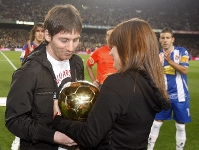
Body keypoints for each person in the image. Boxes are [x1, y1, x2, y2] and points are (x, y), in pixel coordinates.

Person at [52, 18, 171, 150]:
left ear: (126, 48)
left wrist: (58, 120)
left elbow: (89, 136)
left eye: (114, 46)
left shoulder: (119, 82)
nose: (110, 51)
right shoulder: (149, 82)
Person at [5, 4, 84, 150]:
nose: (71, 48)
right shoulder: (29, 71)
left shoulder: (77, 64)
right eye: (64, 40)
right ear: (48, 35)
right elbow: (14, 120)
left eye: (76, 39)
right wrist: (54, 137)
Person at [147, 27, 191, 150]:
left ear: (173, 39)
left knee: (181, 126)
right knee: (156, 124)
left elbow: (184, 70)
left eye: (167, 38)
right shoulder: (155, 55)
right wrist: (157, 63)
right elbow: (149, 75)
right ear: (159, 40)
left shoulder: (182, 51)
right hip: (162, 95)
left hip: (180, 95)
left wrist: (169, 61)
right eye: (162, 38)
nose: (165, 40)